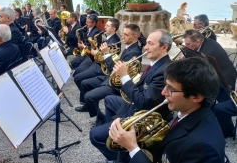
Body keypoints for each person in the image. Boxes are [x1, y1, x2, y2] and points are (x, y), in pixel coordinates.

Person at [109, 57, 225, 163]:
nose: (163, 92)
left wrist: (132, 147)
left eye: (171, 89)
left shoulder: (202, 148)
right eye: (165, 85)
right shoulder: (188, 112)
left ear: (196, 97)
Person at [89, 29, 172, 162]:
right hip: (134, 103)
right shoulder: (156, 63)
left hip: (142, 114)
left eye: (150, 44)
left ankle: (119, 155)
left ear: (164, 47)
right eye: (147, 43)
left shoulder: (164, 70)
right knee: (109, 99)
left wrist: (125, 76)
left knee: (94, 135)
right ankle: (117, 138)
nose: (145, 47)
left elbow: (143, 103)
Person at [76, 24, 143, 127]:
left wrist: (107, 54)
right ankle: (95, 112)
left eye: (126, 35)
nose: (122, 37)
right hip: (110, 77)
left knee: (89, 96)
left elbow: (116, 70)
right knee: (84, 83)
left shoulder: (134, 52)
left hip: (117, 85)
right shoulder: (129, 47)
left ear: (135, 37)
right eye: (123, 34)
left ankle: (100, 119)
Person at [182, 30, 236, 101]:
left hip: (225, 79)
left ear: (198, 42)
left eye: (188, 44)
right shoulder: (205, 40)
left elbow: (200, 70)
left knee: (226, 101)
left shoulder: (208, 52)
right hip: (219, 75)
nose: (186, 46)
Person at [73, 18, 121, 99]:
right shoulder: (108, 37)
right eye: (105, 25)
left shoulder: (115, 41)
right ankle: (87, 96)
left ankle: (86, 100)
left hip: (101, 68)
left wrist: (96, 53)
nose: (105, 27)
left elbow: (107, 59)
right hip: (95, 63)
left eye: (107, 26)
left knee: (78, 78)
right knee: (76, 72)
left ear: (113, 29)